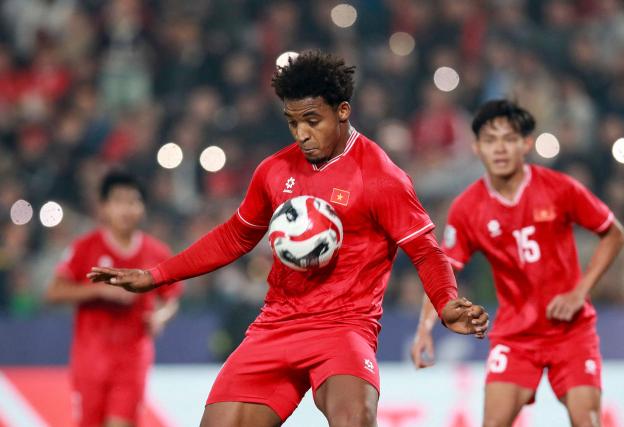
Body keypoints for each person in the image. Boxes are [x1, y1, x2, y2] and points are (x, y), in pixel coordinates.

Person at [88, 50, 489, 427]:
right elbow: (234, 237)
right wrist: (157, 275)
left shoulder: (380, 176)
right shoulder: (274, 171)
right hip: (276, 325)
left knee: (356, 420)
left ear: (342, 111)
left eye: (313, 120)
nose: (302, 133)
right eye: (292, 121)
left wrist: (446, 302)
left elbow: (423, 250)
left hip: (343, 327)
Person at [411, 99, 624, 427]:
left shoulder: (559, 189)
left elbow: (614, 234)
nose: (499, 149)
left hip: (571, 332)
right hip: (516, 336)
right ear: (476, 147)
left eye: (509, 139)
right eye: (490, 140)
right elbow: (443, 270)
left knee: (588, 422)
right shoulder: (468, 208)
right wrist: (424, 329)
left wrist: (579, 292)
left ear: (525, 144)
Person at [46, 171, 182, 427]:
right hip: (90, 361)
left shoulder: (157, 252)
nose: (126, 209)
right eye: (119, 201)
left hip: (132, 359)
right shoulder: (84, 248)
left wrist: (159, 317)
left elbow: (171, 298)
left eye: (133, 201)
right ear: (104, 207)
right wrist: (98, 291)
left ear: (142, 207)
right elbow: (53, 292)